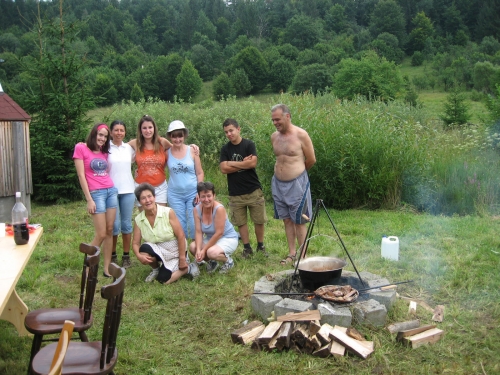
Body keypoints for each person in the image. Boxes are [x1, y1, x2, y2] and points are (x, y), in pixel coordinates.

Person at [270, 104, 316, 265]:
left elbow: (311, 160)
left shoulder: (301, 135)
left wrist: (298, 173)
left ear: (287, 116)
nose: (275, 123)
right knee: (287, 219)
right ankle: (292, 253)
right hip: (278, 184)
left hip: (297, 183)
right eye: (273, 120)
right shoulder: (274, 137)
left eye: (278, 119)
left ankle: (303, 258)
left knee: (299, 220)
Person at [73, 123, 118, 277]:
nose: (102, 138)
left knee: (110, 230)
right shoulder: (81, 148)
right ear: (94, 134)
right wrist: (89, 199)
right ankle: (87, 266)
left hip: (111, 191)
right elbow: (81, 176)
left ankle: (106, 268)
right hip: (96, 194)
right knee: (101, 233)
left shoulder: (103, 152)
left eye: (105, 136)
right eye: (100, 135)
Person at [132, 183, 199, 284]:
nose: (147, 200)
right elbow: (136, 243)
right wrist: (138, 255)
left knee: (163, 280)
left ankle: (188, 267)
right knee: (144, 249)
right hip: (157, 249)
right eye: (143, 198)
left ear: (154, 197)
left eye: (149, 196)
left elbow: (181, 236)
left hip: (175, 249)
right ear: (139, 202)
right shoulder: (139, 219)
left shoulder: (168, 212)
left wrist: (182, 258)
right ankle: (156, 269)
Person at [219, 118, 267, 259]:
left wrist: (231, 164)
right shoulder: (225, 149)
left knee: (259, 220)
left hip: (253, 189)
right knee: (241, 222)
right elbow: (223, 169)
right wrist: (242, 162)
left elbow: (252, 164)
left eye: (231, 130)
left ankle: (260, 246)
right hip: (235, 192)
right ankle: (247, 248)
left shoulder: (249, 144)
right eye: (226, 132)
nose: (229, 134)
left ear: (238, 129)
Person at [166, 120, 204, 240]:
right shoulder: (166, 153)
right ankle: (184, 253)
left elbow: (199, 172)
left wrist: (200, 191)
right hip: (174, 194)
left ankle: (198, 251)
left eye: (180, 136)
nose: (177, 140)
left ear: (184, 136)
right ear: (170, 137)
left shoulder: (192, 151)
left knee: (194, 222)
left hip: (193, 193)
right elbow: (157, 168)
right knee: (179, 223)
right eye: (174, 136)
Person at [189, 182, 238, 274]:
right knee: (193, 247)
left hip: (227, 237)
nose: (206, 199)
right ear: (199, 197)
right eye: (203, 196)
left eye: (209, 196)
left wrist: (204, 250)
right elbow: (199, 231)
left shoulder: (219, 209)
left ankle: (228, 261)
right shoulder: (196, 210)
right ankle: (212, 262)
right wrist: (199, 250)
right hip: (211, 238)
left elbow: (219, 233)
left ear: (214, 195)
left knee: (211, 252)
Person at [108, 120, 135, 268]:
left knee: (126, 224)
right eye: (116, 130)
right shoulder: (105, 148)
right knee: (113, 225)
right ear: (111, 132)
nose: (119, 133)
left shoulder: (129, 148)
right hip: (111, 191)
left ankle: (126, 256)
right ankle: (112, 255)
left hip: (128, 190)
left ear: (125, 132)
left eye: (122, 130)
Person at [128, 115, 171, 209]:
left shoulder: (162, 142)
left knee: (160, 217)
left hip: (160, 188)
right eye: (144, 128)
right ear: (140, 130)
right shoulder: (135, 143)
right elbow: (118, 148)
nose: (148, 131)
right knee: (146, 219)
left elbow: (178, 148)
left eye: (150, 127)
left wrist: (191, 147)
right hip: (141, 188)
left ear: (154, 128)